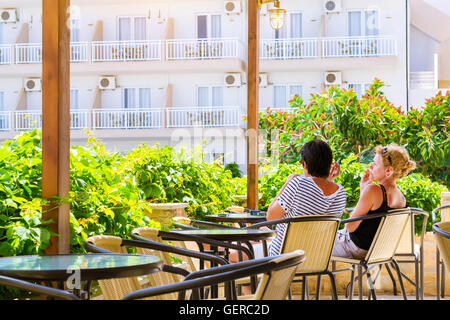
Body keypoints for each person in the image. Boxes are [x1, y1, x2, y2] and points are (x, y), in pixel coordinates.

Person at [332, 143, 416, 260]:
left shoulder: (374, 190)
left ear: (388, 171)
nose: (371, 166)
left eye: (375, 164)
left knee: (316, 242)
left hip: (353, 247)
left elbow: (350, 226)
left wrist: (366, 190)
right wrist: (364, 190)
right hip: (377, 251)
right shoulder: (401, 197)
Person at [265, 139, 347, 257]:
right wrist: (328, 180)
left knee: (236, 252)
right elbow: (320, 195)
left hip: (283, 259)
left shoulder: (297, 184)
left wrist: (287, 184)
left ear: (305, 164)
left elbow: (271, 217)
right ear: (329, 163)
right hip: (316, 259)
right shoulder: (340, 193)